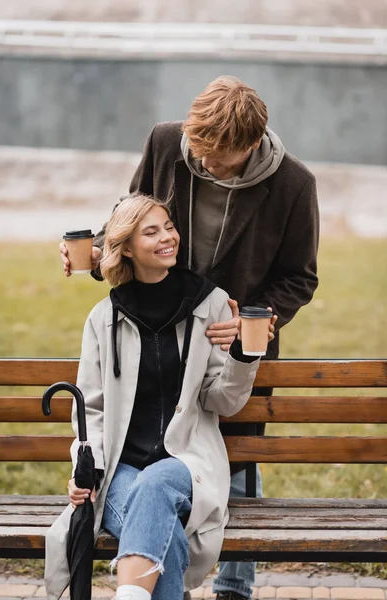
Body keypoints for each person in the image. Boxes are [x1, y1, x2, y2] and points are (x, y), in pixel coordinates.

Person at [59, 75, 319, 600]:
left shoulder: (293, 184)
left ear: (251, 143)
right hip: (155, 315)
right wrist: (94, 254)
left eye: (217, 158)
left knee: (234, 452)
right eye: (197, 153)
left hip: (227, 336)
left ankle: (235, 584)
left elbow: (300, 276)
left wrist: (258, 319)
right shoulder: (167, 143)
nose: (203, 163)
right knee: (171, 471)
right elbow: (129, 218)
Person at [46, 194, 276, 600]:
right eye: (151, 232)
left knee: (154, 484)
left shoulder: (212, 305)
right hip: (120, 470)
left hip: (186, 461)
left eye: (169, 226)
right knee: (159, 526)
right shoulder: (104, 318)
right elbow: (93, 408)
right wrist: (89, 469)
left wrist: (242, 355)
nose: (168, 237)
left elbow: (224, 402)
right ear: (126, 248)